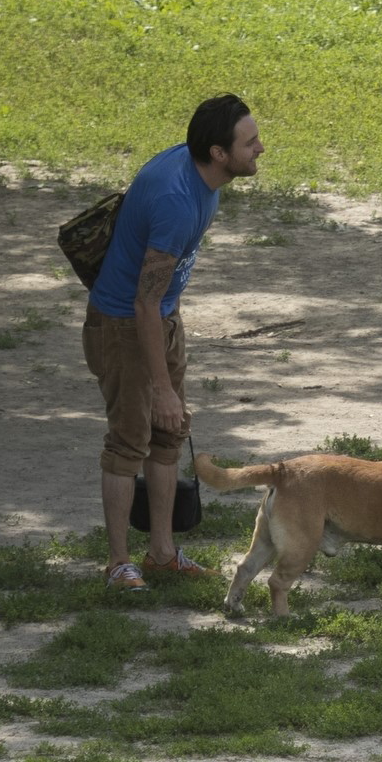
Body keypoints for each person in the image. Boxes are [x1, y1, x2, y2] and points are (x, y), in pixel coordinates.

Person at [85, 95, 262, 589]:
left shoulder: (202, 175)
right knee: (128, 443)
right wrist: (162, 388)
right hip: (124, 325)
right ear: (218, 153)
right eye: (249, 143)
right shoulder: (177, 203)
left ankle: (161, 554)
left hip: (160, 318)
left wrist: (171, 332)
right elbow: (143, 301)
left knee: (168, 435)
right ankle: (119, 564)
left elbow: (160, 293)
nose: (260, 149)